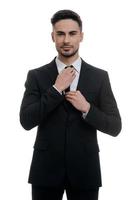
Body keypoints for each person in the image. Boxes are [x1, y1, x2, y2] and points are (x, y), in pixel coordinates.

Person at [19, 9, 122, 200]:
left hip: (86, 170)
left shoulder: (100, 77)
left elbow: (115, 126)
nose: (66, 40)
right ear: (53, 37)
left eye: (72, 33)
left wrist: (87, 109)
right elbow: (26, 120)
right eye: (60, 34)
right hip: (45, 171)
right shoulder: (36, 76)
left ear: (81, 36)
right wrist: (56, 89)